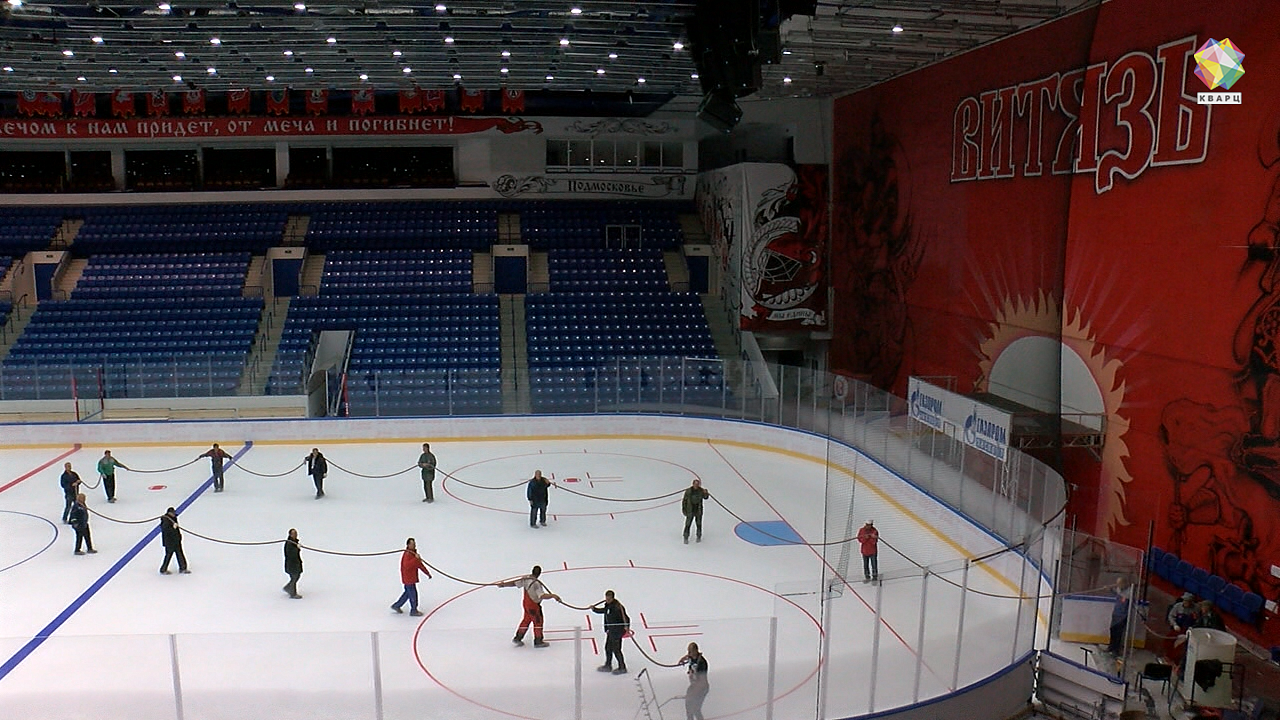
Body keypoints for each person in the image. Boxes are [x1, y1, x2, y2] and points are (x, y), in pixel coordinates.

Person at [499, 565, 559, 647]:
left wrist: (504, 585)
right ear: (539, 573)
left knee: (526, 620)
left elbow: (514, 583)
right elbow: (541, 596)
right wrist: (553, 596)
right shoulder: (536, 583)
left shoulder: (526, 579)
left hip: (526, 603)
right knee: (538, 622)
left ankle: (518, 638)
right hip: (533, 606)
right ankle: (538, 641)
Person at [390, 537, 432, 616]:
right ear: (408, 545)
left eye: (414, 544)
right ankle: (414, 610)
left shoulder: (413, 554)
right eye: (412, 544)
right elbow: (407, 565)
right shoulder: (407, 554)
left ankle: (396, 605)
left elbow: (419, 565)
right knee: (413, 594)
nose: (414, 545)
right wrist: (416, 559)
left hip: (411, 578)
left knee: (407, 594)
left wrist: (427, 573)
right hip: (408, 579)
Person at [592, 589, 630, 674]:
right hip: (611, 631)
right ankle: (608, 665)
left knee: (616, 650)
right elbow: (605, 611)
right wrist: (594, 609)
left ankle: (622, 667)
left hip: (617, 632)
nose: (607, 600)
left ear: (613, 598)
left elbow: (626, 618)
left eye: (609, 599)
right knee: (608, 648)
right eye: (606, 598)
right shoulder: (608, 605)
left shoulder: (618, 607)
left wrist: (626, 628)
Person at [678, 642, 710, 720]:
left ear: (695, 651)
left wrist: (693, 694)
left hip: (702, 688)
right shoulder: (691, 657)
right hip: (694, 685)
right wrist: (682, 659)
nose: (688, 654)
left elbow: (702, 681)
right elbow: (688, 657)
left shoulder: (702, 663)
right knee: (688, 709)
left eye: (690, 652)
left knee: (696, 709)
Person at [159, 507, 190, 575]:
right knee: (168, 555)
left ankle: (183, 568)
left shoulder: (173, 518)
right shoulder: (166, 520)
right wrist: (173, 527)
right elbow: (166, 530)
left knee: (180, 554)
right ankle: (163, 569)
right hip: (170, 541)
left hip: (176, 540)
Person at [682, 478, 710, 544]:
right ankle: (686, 537)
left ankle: (698, 536)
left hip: (698, 511)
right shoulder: (688, 491)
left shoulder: (701, 491)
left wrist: (706, 493)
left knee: (699, 524)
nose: (696, 485)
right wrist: (684, 509)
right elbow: (684, 501)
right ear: (693, 484)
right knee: (688, 524)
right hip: (690, 511)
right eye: (695, 484)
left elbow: (705, 497)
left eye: (697, 484)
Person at [1107, 579, 1131, 656]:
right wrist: (1110, 589)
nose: (1118, 586)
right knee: (1112, 630)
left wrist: (1116, 591)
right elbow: (1116, 593)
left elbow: (1123, 597)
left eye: (1119, 584)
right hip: (1116, 614)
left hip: (1122, 616)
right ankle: (1111, 647)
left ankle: (1116, 650)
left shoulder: (1129, 592)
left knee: (1118, 633)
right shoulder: (1119, 589)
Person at [283, 528, 303, 599]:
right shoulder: (289, 543)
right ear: (290, 535)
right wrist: (297, 548)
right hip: (291, 565)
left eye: (296, 533)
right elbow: (291, 554)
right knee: (294, 578)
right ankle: (293, 593)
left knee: (296, 576)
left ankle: (288, 587)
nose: (295, 535)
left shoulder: (294, 542)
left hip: (296, 563)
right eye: (294, 534)